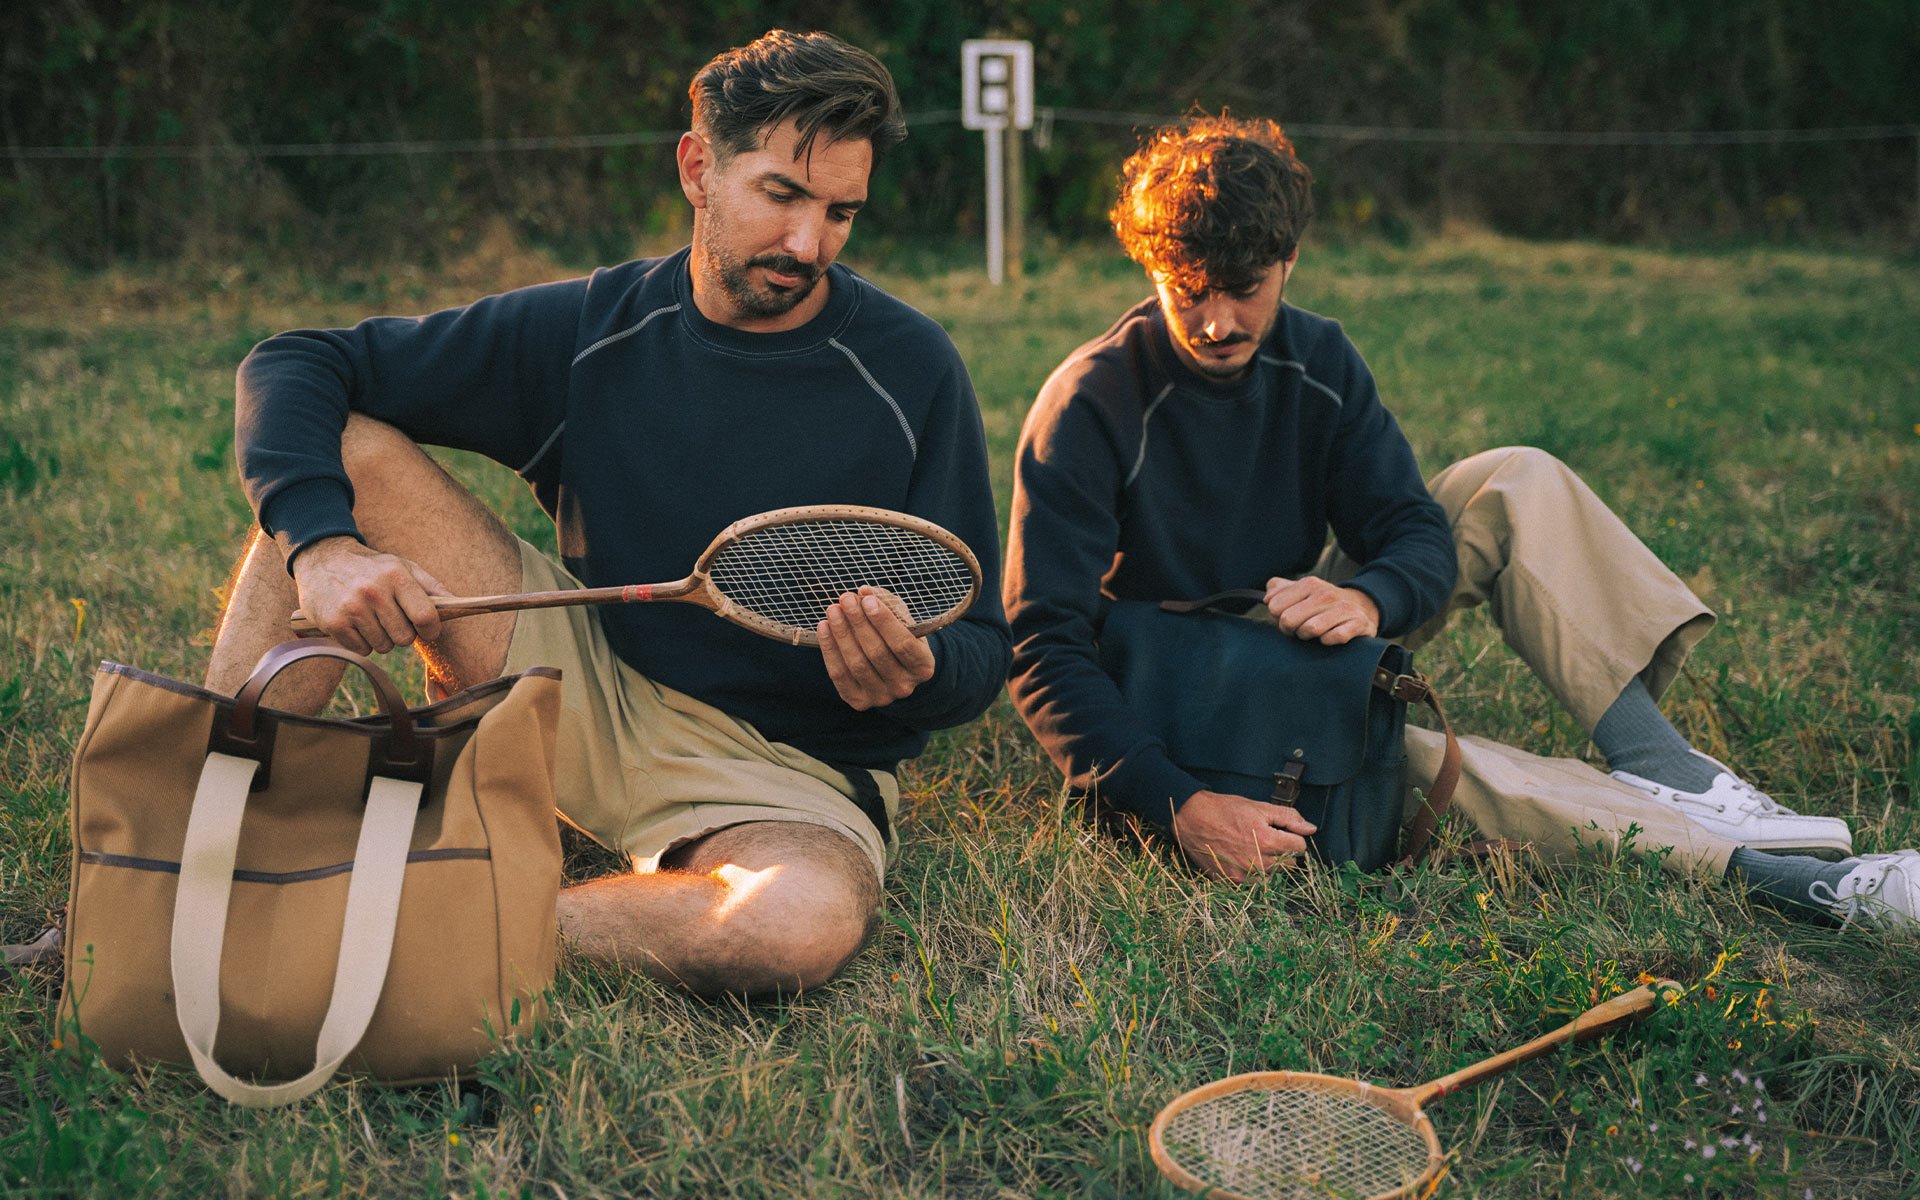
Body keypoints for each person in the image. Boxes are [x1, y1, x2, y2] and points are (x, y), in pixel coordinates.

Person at [206, 29, 1011, 995]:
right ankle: (193, 848)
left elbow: (980, 649)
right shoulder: (594, 329)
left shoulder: (911, 368)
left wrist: (915, 673)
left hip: (786, 774)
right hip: (583, 679)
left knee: (791, 929)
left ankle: (365, 917)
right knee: (345, 453)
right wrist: (323, 546)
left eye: (842, 212)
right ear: (697, 167)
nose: (809, 244)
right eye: (782, 196)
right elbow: (298, 361)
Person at [1004, 114, 1917, 932]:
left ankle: (1663, 764)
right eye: (1185, 288)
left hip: (1292, 620)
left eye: (1242, 286)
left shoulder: (1317, 358)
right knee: (1431, 764)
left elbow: (1412, 528)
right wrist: (1176, 803)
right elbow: (1042, 648)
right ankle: (1800, 884)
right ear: (1151, 268)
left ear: (1289, 260)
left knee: (1512, 481)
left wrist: (1366, 598)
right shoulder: (1090, 402)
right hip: (1176, 685)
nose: (1213, 319)